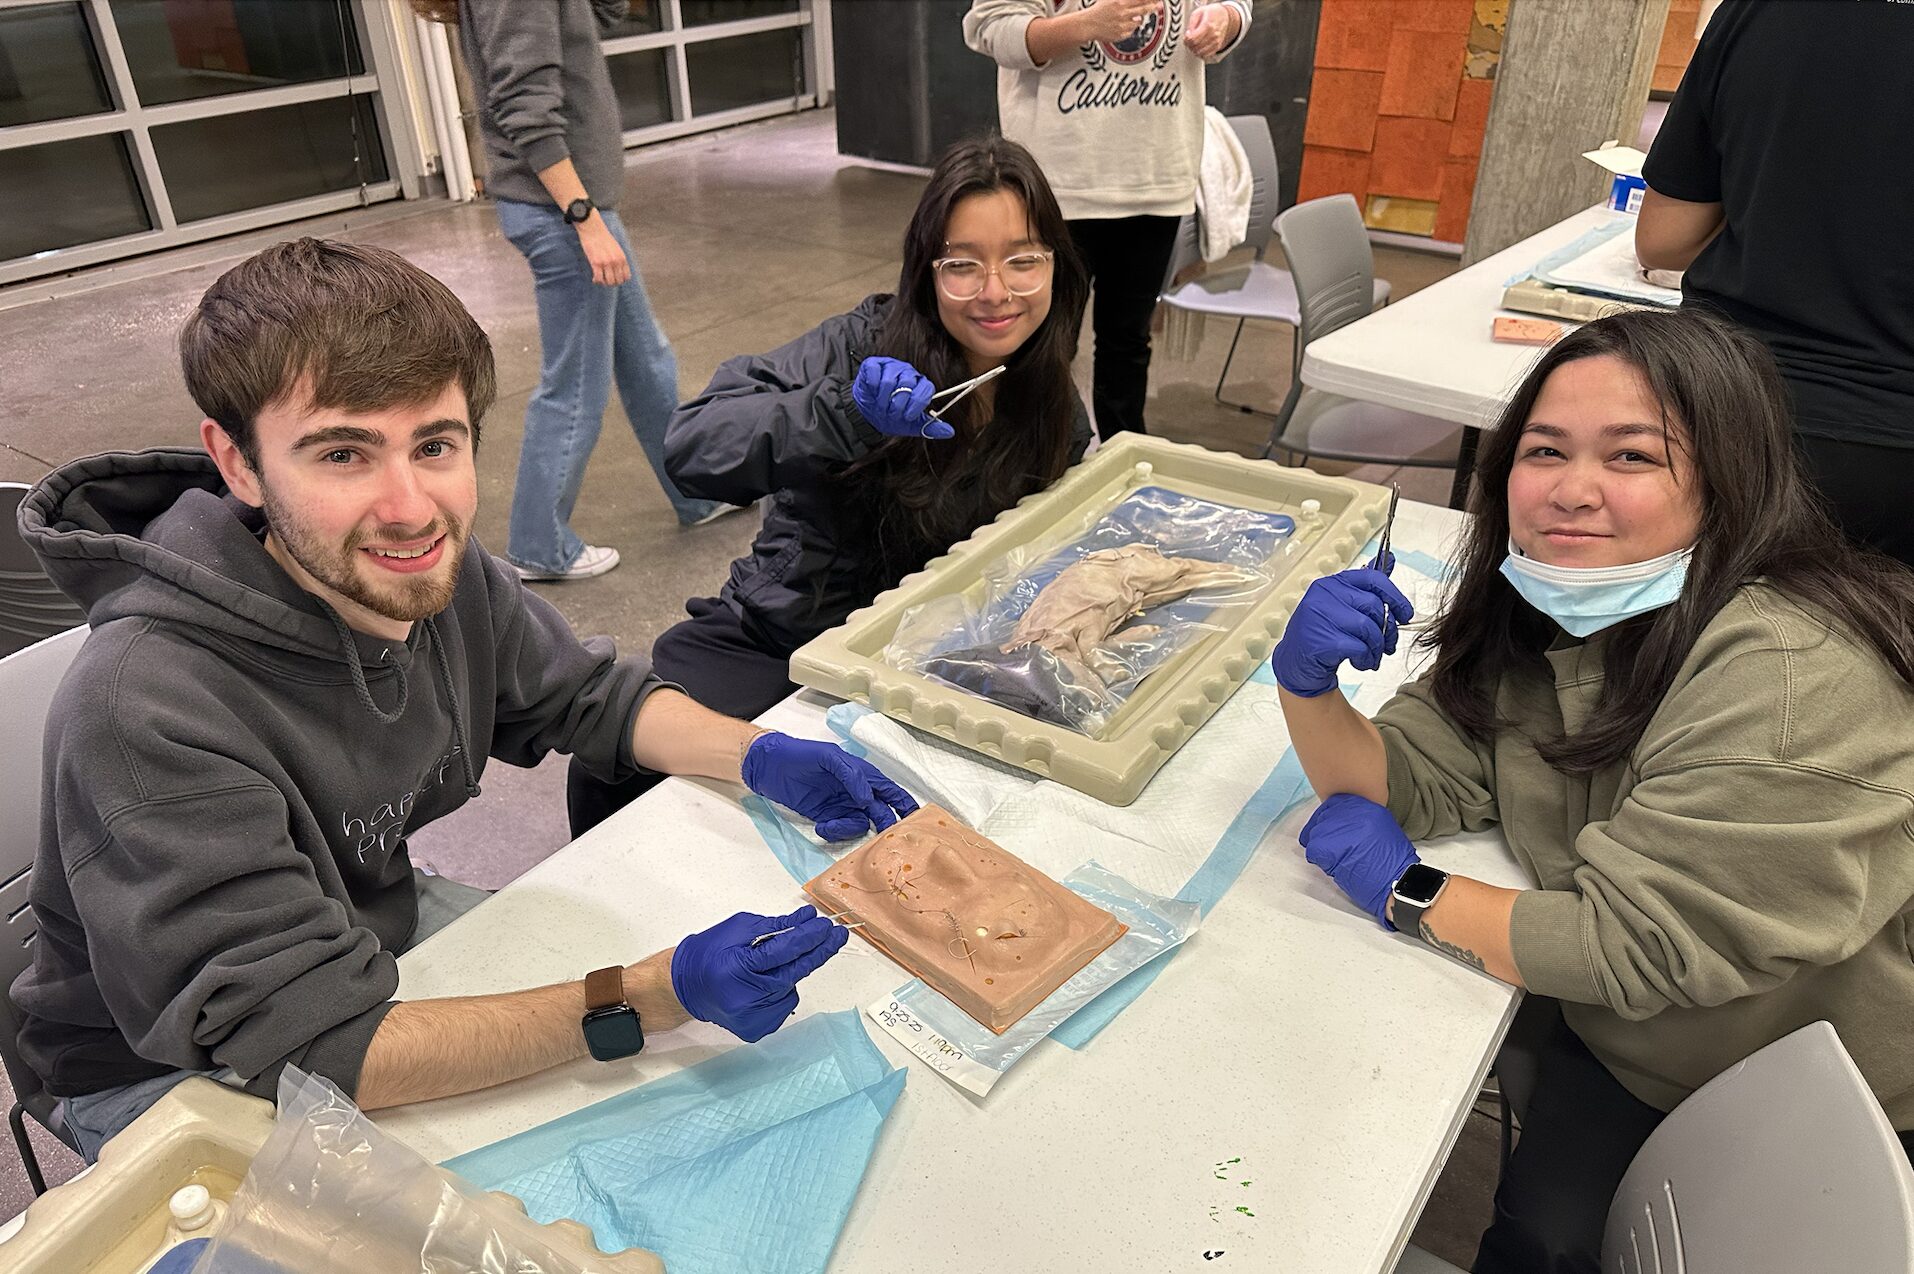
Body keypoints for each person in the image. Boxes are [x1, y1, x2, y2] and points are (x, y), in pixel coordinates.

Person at [8, 239, 918, 1162]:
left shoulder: (430, 574)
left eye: (434, 445)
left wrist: (756, 754)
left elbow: (588, 698)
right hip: (160, 1067)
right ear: (238, 464)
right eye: (342, 453)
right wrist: (642, 997)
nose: (411, 510)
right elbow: (319, 1047)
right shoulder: (146, 707)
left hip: (356, 935)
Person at [1271, 309, 1914, 1272]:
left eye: (1632, 458)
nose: (1571, 493)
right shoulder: (1559, 610)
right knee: (1528, 1232)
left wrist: (1409, 893)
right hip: (1625, 1034)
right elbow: (1406, 780)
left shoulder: (1789, 677)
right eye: (1544, 451)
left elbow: (1637, 946)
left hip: (1771, 1071)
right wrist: (1309, 688)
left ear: (1733, 478)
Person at [565, 135, 1093, 835]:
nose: (995, 292)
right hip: (781, 644)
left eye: (1023, 260)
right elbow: (693, 445)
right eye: (963, 265)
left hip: (928, 671)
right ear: (926, 270)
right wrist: (842, 412)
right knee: (613, 768)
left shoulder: (1051, 402)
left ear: (1056, 267)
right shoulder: (861, 345)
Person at [415, 0, 734, 582]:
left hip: (580, 209)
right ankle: (539, 544)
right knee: (575, 384)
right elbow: (525, 107)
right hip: (564, 212)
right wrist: (584, 219)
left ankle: (696, 492)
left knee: (647, 361)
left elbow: (599, 20)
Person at [1636, 0, 1914, 567]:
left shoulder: (1758, 11)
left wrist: (1775, 228)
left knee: (1685, 647)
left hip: (1721, 411)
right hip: (1895, 447)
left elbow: (1662, 240)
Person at [964, 0, 1252, 440]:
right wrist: (1084, 25)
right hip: (1058, 184)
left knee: (1129, 344)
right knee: (1042, 345)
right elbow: (991, 28)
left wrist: (1225, 21)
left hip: (1157, 176)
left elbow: (1235, 5)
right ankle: (1029, 466)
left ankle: (1122, 459)